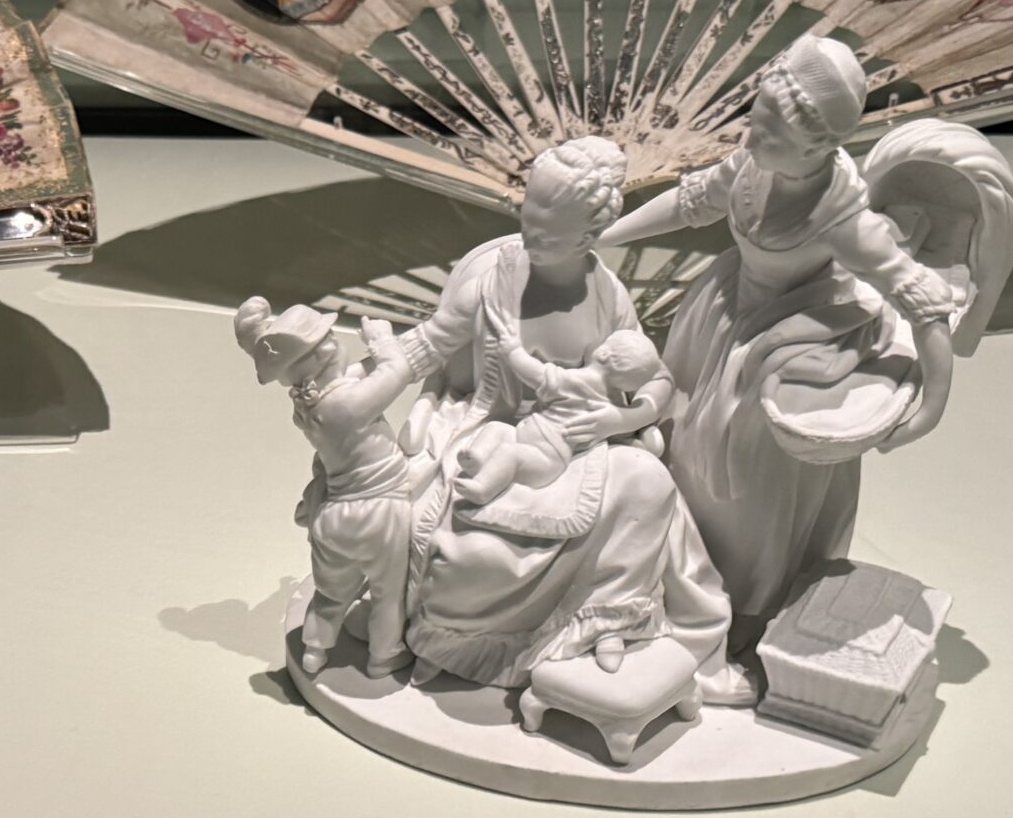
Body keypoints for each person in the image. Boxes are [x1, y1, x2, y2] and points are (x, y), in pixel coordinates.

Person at [602, 37, 962, 687]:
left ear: (815, 145)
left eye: (770, 130)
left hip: (788, 343)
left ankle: (745, 611)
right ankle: (674, 579)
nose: (752, 135)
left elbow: (924, 301)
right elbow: (690, 203)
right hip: (722, 314)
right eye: (756, 118)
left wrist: (930, 408)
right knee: (678, 444)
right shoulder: (752, 163)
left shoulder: (841, 215)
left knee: (747, 486)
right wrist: (603, 236)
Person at [384, 137, 729, 693]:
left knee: (649, 484)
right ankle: (461, 642)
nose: (527, 240)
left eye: (545, 234)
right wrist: (359, 382)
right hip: (494, 433)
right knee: (473, 556)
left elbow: (657, 378)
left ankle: (609, 617)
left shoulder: (607, 294)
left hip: (586, 443)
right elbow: (427, 345)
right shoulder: (494, 283)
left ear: (589, 235)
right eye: (527, 220)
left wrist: (621, 421)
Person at [233, 297, 427, 676]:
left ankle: (314, 650)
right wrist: (382, 339)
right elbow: (398, 371)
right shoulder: (349, 404)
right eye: (333, 339)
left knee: (331, 593)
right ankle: (384, 655)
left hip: (333, 516)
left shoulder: (307, 406)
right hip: (378, 510)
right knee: (388, 591)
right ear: (325, 352)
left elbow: (354, 376)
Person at [451, 325, 667, 509]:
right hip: (525, 438)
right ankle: (479, 460)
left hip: (544, 459)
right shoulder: (609, 403)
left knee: (509, 452)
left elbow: (534, 373)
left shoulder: (573, 381)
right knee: (498, 429)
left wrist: (512, 351)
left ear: (603, 354)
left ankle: (483, 488)